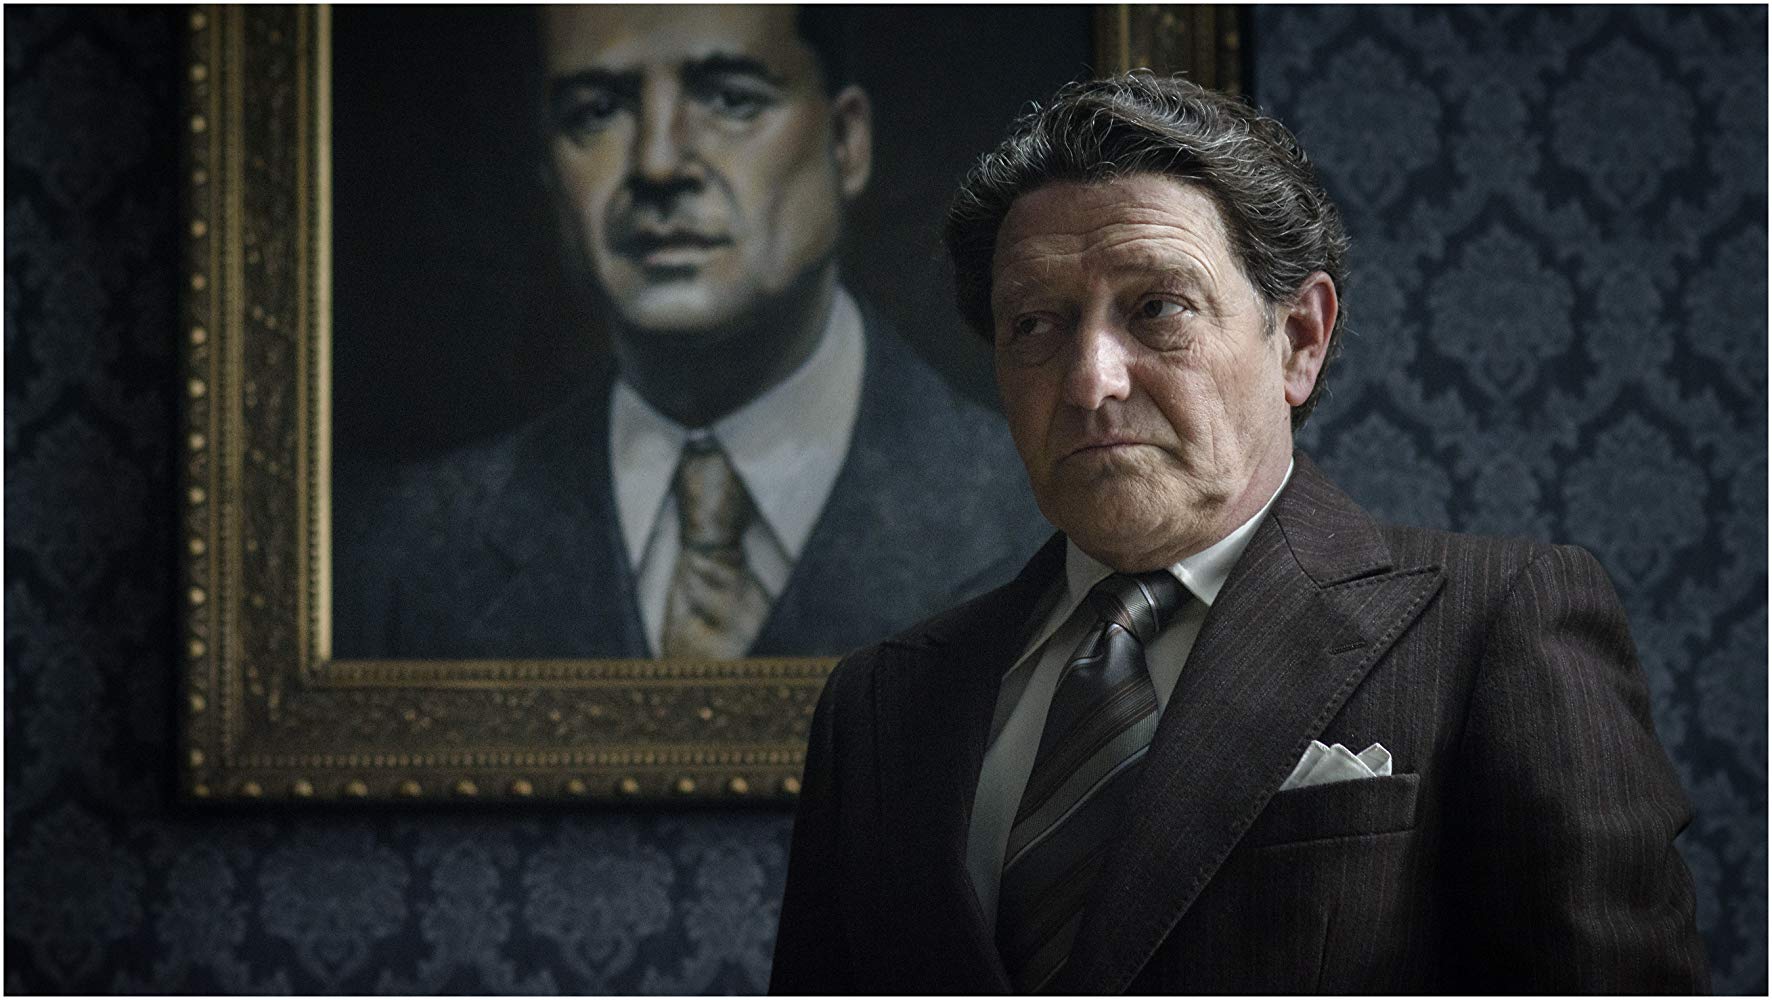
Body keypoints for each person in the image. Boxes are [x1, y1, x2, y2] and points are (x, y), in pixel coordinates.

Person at [769, 72, 1708, 993]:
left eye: (1157, 308)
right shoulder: (880, 704)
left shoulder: (1494, 625)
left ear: (1299, 339)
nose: (1090, 379)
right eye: (1035, 324)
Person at [334, 6, 1046, 660]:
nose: (657, 164)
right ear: (548, 167)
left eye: (731, 99)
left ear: (846, 142)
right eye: (597, 111)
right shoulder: (401, 552)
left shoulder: (1039, 518)